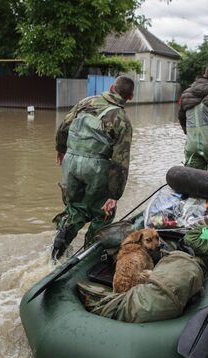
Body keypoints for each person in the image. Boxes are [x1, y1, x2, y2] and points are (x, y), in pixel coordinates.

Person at [51, 76, 134, 260]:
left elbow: (63, 127)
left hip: (71, 162)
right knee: (103, 212)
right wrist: (114, 195)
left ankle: (56, 252)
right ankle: (88, 256)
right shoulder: (122, 120)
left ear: (112, 87)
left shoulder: (85, 102)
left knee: (75, 209)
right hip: (96, 167)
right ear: (130, 97)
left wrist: (60, 149)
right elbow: (120, 161)